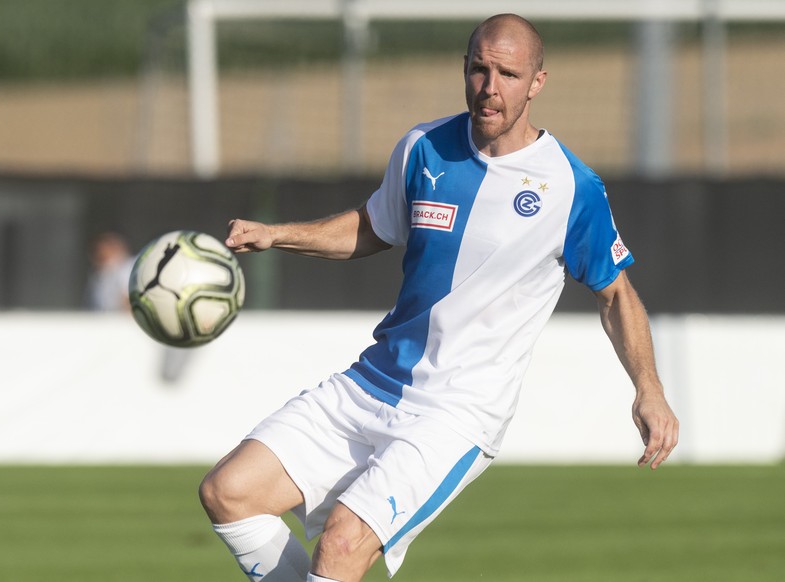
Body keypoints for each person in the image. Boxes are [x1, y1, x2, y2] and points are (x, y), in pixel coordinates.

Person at [199, 13, 679, 582]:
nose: (490, 87)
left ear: (538, 83)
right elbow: (374, 228)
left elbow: (615, 294)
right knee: (228, 492)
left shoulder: (572, 187)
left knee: (342, 546)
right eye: (479, 69)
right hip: (371, 382)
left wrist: (648, 388)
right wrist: (278, 235)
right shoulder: (423, 147)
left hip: (456, 412)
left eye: (507, 73)